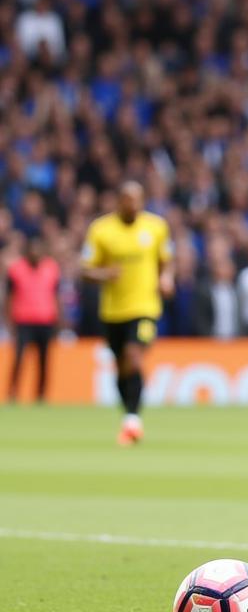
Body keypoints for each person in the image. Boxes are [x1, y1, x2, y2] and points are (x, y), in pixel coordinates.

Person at [81, 182, 173, 444]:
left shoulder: (156, 227)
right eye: (127, 200)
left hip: (145, 307)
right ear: (119, 201)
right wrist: (104, 274)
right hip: (112, 311)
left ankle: (133, 420)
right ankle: (128, 416)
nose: (133, 205)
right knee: (121, 366)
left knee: (134, 357)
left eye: (137, 200)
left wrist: (166, 278)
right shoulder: (101, 229)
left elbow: (166, 261)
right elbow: (85, 269)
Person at [6, 237, 61, 403]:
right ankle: (13, 392)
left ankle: (41, 395)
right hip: (23, 321)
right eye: (32, 249)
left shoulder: (52, 268)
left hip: (45, 321)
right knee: (19, 358)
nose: (35, 253)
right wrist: (10, 323)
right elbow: (9, 298)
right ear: (27, 251)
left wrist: (59, 320)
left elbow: (56, 296)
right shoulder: (16, 270)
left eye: (38, 249)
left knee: (44, 361)